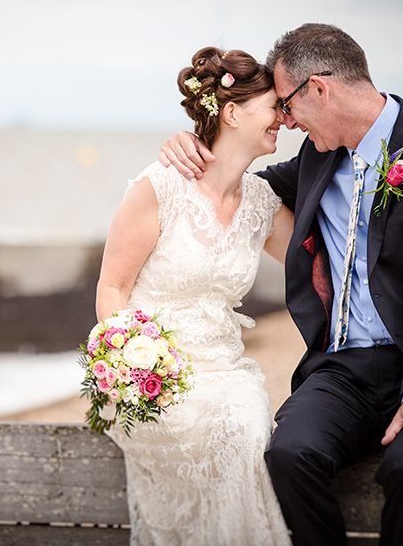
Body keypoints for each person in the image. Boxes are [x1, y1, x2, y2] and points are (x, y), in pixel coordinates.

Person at [159, 24, 403, 546]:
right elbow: (234, 189)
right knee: (288, 456)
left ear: (319, 88)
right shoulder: (317, 156)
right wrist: (194, 144)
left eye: (287, 105)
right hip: (346, 369)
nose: (285, 122)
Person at [97, 47, 294, 545]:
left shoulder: (261, 203)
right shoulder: (160, 186)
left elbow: (322, 261)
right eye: (274, 106)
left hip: (227, 372)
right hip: (154, 378)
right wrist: (130, 371)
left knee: (247, 423)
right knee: (223, 435)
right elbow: (112, 287)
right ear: (231, 113)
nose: (284, 119)